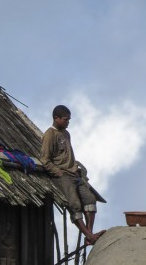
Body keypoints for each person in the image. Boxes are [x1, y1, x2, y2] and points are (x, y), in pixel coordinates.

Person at [40, 105, 105, 245]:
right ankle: (89, 235)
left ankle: (89, 234)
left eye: (69, 119)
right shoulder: (49, 135)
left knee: (90, 199)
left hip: (74, 174)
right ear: (56, 118)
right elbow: (45, 160)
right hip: (63, 175)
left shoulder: (66, 134)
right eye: (66, 119)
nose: (68, 122)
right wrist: (57, 171)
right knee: (74, 204)